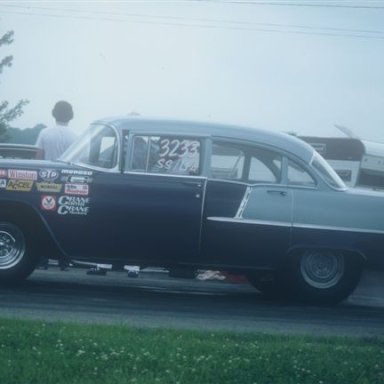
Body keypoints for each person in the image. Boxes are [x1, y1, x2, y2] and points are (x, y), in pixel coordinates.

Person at [36, 100, 77, 270]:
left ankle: (42, 259)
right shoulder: (76, 136)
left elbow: (38, 159)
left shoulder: (44, 133)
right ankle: (63, 261)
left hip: (45, 182)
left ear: (54, 113)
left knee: (42, 221)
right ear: (71, 116)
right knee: (65, 221)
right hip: (67, 183)